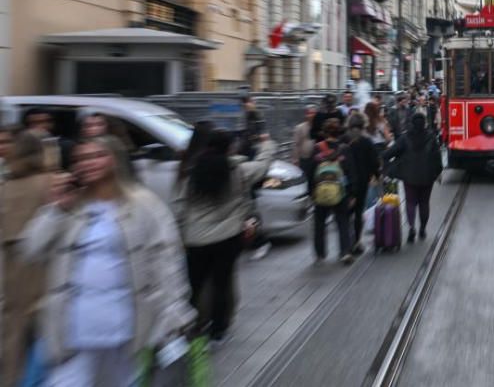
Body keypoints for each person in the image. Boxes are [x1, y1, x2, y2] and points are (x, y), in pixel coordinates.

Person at [20, 136, 195, 386]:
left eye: (97, 156)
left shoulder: (144, 204)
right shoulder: (71, 205)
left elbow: (167, 260)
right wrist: (56, 209)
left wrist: (174, 311)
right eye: (82, 158)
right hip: (73, 325)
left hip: (123, 324)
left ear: (115, 159)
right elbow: (31, 248)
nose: (89, 163)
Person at [172, 128, 274, 342]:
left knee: (195, 283)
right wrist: (267, 144)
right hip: (228, 237)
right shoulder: (238, 170)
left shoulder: (191, 172)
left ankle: (192, 325)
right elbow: (262, 165)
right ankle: (218, 329)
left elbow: (179, 205)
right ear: (230, 148)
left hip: (196, 238)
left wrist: (180, 232)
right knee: (222, 282)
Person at [1, 131, 52, 386]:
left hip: (11, 267)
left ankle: (11, 379)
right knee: (46, 326)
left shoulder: (6, 186)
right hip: (43, 264)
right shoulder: (49, 182)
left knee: (13, 328)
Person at [383, 113, 443, 243]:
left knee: (410, 202)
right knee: (424, 203)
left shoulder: (405, 137)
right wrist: (438, 172)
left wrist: (387, 164)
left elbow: (389, 153)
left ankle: (411, 228)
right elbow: (437, 157)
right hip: (427, 176)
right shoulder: (431, 137)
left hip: (409, 176)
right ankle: (422, 229)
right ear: (424, 123)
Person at [305, 118, 354, 264]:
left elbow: (310, 171)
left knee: (319, 223)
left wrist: (311, 191)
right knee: (343, 222)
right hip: (340, 191)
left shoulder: (317, 148)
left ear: (324, 133)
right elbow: (351, 172)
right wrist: (352, 193)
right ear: (339, 133)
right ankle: (345, 252)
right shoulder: (344, 149)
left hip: (320, 191)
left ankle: (320, 253)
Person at [344, 112, 380, 255]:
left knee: (345, 214)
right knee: (358, 212)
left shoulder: (343, 139)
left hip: (344, 182)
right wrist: (376, 175)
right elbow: (374, 161)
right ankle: (356, 242)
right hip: (362, 181)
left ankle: (345, 244)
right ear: (363, 125)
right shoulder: (366, 141)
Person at [22, 107, 68, 171]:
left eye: (45, 121)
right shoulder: (21, 147)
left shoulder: (65, 146)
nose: (41, 126)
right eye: (35, 123)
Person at [293, 104, 318, 169]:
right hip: (304, 159)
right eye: (310, 113)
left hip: (317, 159)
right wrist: (295, 159)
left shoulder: (320, 127)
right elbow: (296, 145)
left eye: (314, 113)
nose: (312, 115)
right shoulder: (299, 128)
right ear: (306, 115)